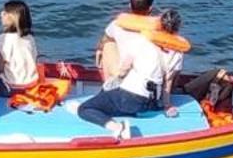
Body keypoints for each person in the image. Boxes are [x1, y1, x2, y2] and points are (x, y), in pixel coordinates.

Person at [76, 8, 186, 139]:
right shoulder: (178, 52)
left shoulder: (141, 41)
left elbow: (124, 70)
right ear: (177, 29)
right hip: (152, 102)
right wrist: (167, 106)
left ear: (158, 23)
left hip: (130, 98)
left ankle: (117, 127)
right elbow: (168, 82)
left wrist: (114, 81)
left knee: (84, 109)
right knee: (117, 99)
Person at [95, 0, 156, 86]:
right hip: (149, 80)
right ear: (150, 9)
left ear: (129, 6)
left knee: (108, 45)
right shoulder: (159, 30)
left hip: (124, 76)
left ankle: (108, 87)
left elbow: (105, 39)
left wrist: (99, 50)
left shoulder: (116, 25)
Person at [0, 0, 38, 95]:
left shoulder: (3, 38)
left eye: (5, 12)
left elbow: (0, 67)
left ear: (12, 18)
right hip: (32, 83)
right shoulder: (30, 38)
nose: (1, 14)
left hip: (13, 87)